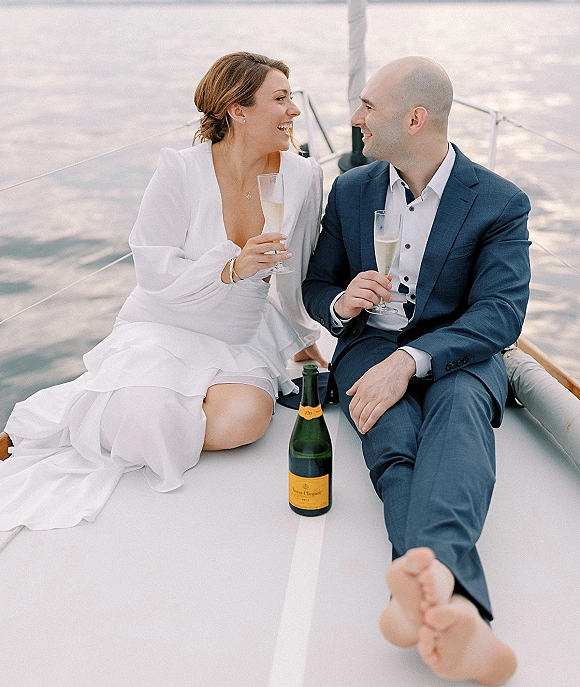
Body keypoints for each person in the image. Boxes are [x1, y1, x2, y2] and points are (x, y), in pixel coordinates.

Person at [0, 51, 325, 531]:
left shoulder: (303, 176)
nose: (293, 110)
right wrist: (232, 268)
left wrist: (303, 340)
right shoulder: (181, 170)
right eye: (280, 99)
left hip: (238, 333)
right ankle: (51, 424)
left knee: (244, 421)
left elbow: (294, 271)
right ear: (238, 108)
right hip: (163, 319)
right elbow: (152, 269)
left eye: (292, 98)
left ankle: (117, 411)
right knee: (146, 417)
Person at [303, 56, 530, 686]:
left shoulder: (499, 202)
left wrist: (413, 359)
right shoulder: (350, 190)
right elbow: (318, 284)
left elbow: (501, 312)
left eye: (368, 107)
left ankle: (425, 593)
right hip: (369, 347)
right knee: (395, 440)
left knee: (458, 419)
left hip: (459, 351)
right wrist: (341, 302)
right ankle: (456, 607)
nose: (355, 120)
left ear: (416, 117)